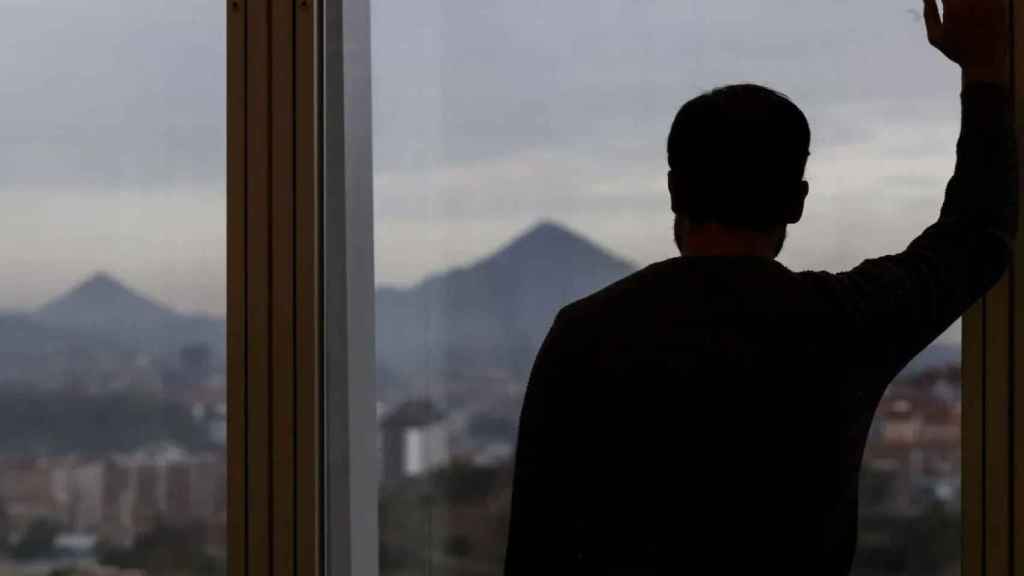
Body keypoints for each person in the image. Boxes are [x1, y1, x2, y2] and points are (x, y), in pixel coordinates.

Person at [504, 0, 1015, 573]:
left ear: (675, 191)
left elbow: (534, 549)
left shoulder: (585, 334)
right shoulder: (843, 323)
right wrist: (986, 71)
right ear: (797, 201)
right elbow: (977, 233)